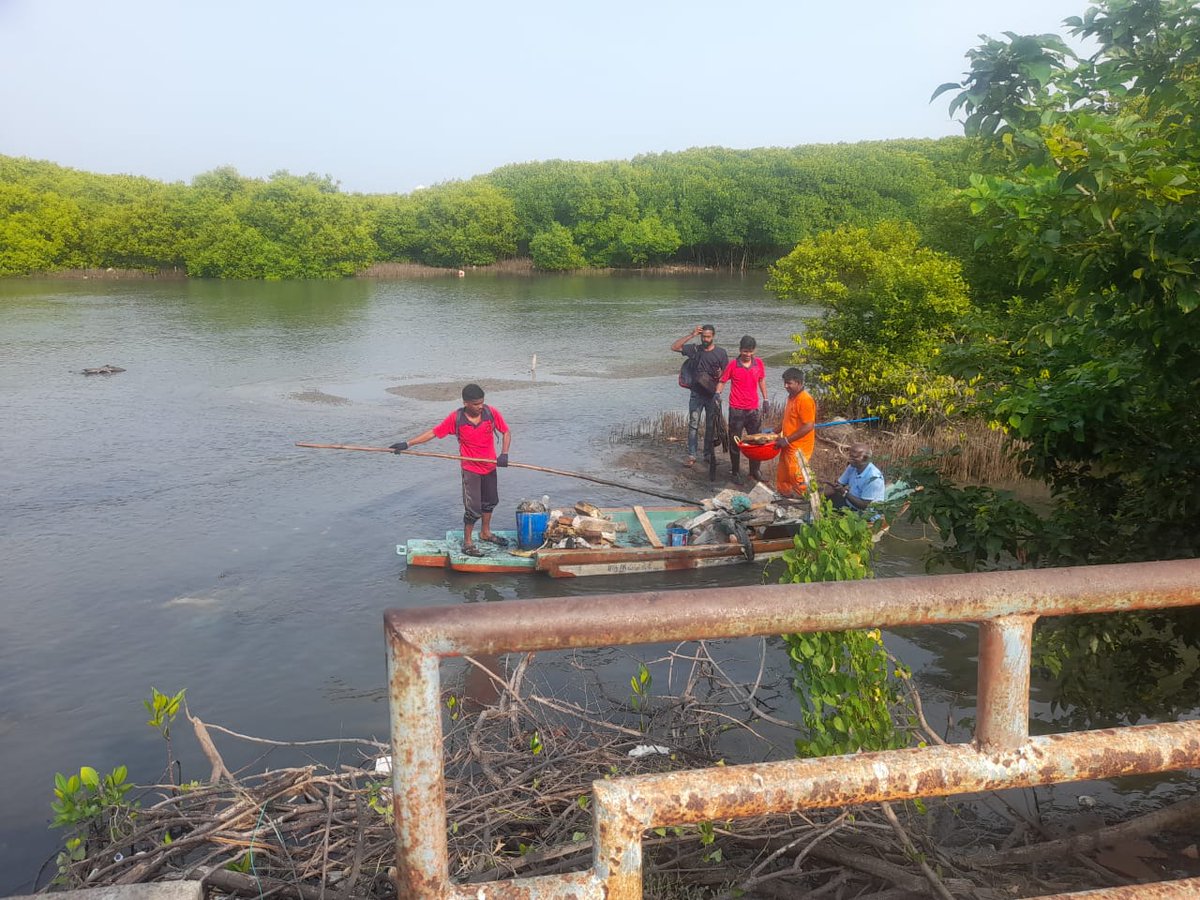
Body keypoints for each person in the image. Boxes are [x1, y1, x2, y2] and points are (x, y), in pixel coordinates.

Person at [390, 383, 512, 558]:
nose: (480, 407)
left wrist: (504, 454)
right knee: (473, 508)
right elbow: (433, 432)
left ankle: (486, 533)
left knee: (490, 502)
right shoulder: (456, 419)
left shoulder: (490, 413)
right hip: (470, 469)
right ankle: (468, 542)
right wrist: (407, 444)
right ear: (466, 403)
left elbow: (506, 432)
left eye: (482, 403)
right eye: (476, 404)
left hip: (490, 466)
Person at [671, 323, 728, 469]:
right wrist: (692, 335)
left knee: (710, 426)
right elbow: (675, 347)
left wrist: (719, 379)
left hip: (712, 395)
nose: (705, 339)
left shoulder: (721, 353)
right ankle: (691, 455)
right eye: (703, 336)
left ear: (713, 336)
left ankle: (708, 455)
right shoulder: (695, 349)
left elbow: (726, 375)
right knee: (693, 425)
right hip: (696, 394)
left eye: (708, 337)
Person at [716, 335, 769, 483]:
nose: (747, 354)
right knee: (735, 442)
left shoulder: (759, 363)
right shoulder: (733, 364)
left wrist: (766, 399)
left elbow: (762, 380)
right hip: (736, 410)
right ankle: (735, 472)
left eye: (750, 351)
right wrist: (717, 394)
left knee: (756, 442)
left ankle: (755, 471)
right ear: (740, 350)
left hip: (753, 410)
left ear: (754, 351)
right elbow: (722, 381)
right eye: (745, 351)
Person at [774, 367, 817, 498]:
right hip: (787, 443)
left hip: (799, 447)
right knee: (783, 473)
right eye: (785, 383)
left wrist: (787, 440)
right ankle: (784, 495)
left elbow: (809, 425)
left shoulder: (805, 399)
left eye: (789, 383)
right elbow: (789, 418)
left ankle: (806, 501)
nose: (785, 386)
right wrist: (776, 430)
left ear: (799, 383)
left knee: (796, 474)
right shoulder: (791, 397)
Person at [824, 443, 886, 515]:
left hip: (865, 513)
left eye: (853, 457)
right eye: (850, 456)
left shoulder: (874, 478)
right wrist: (818, 495)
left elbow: (865, 506)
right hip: (850, 503)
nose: (849, 459)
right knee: (827, 500)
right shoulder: (852, 467)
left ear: (865, 459)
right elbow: (839, 484)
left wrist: (844, 493)